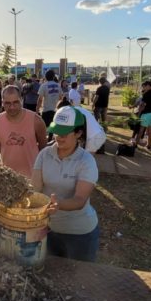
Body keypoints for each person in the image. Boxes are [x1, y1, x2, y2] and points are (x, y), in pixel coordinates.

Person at [32, 106, 99, 262]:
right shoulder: (44, 154)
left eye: (64, 133)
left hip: (79, 233)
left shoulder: (86, 161)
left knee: (79, 278)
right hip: (48, 229)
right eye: (56, 132)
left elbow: (80, 200)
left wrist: (58, 204)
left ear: (78, 133)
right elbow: (35, 189)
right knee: (51, 274)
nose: (58, 137)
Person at [0, 85, 47, 178]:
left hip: (32, 177)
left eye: (15, 102)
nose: (12, 107)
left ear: (21, 99)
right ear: (2, 102)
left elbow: (43, 147)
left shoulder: (36, 121)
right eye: (7, 103)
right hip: (8, 178)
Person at [132, 81, 151, 148]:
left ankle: (136, 144)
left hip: (147, 113)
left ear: (148, 85)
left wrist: (139, 114)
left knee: (141, 129)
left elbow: (142, 105)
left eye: (144, 86)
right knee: (150, 129)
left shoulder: (146, 94)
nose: (143, 88)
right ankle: (149, 144)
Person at [37, 70, 63, 141]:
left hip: (46, 110)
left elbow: (40, 99)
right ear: (53, 76)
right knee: (53, 126)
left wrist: (37, 109)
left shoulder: (44, 85)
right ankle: (50, 140)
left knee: (43, 128)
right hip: (55, 110)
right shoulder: (58, 85)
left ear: (45, 77)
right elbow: (61, 98)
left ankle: (43, 142)